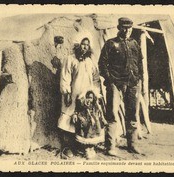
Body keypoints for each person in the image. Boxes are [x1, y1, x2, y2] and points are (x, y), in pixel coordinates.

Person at [98, 17, 143, 156]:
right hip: (115, 84)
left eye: (129, 28)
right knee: (112, 114)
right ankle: (110, 146)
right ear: (119, 28)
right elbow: (102, 64)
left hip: (131, 83)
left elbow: (139, 63)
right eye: (124, 27)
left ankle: (132, 144)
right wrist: (110, 80)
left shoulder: (134, 43)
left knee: (132, 114)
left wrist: (138, 78)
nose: (127, 30)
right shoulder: (110, 44)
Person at [58, 33, 100, 158]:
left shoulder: (90, 62)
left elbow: (96, 78)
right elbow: (65, 77)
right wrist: (66, 93)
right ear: (78, 44)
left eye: (87, 45)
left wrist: (94, 94)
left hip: (86, 98)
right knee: (69, 120)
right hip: (73, 96)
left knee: (86, 121)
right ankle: (67, 148)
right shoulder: (70, 59)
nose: (84, 47)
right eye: (83, 44)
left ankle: (85, 147)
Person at [72, 90, 107, 159]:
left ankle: (92, 147)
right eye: (87, 97)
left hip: (94, 124)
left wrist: (100, 118)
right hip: (85, 123)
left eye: (90, 98)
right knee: (85, 134)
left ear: (93, 98)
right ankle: (86, 149)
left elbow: (99, 113)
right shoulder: (82, 106)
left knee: (94, 135)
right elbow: (78, 111)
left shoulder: (95, 106)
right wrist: (76, 115)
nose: (89, 100)